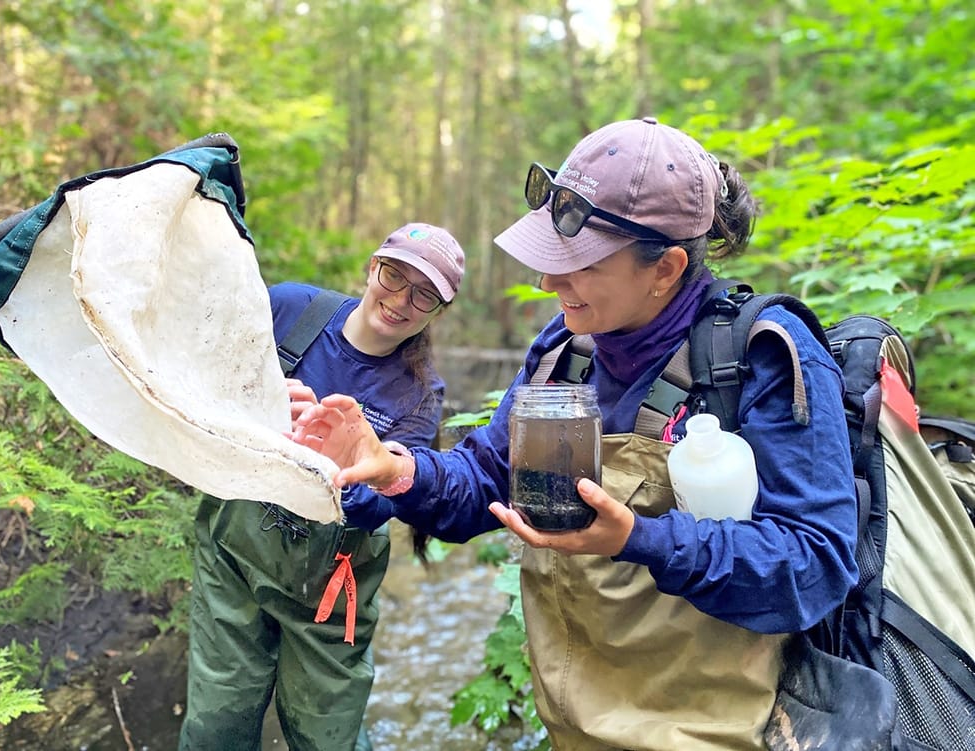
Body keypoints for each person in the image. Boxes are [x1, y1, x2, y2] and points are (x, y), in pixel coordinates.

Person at [289, 118, 860, 750]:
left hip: (718, 729)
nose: (546, 283)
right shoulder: (565, 350)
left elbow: (815, 565)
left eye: (578, 265)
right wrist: (396, 468)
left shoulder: (761, 358)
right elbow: (487, 480)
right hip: (575, 723)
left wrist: (640, 539)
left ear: (666, 267)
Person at [178, 223, 466, 750]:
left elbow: (381, 506)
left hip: (332, 590)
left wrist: (326, 464)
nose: (400, 300)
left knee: (326, 738)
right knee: (217, 727)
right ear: (371, 267)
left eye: (423, 294)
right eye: (393, 275)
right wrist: (257, 404)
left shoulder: (420, 395)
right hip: (233, 560)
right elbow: (202, 376)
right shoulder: (290, 310)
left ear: (436, 312)